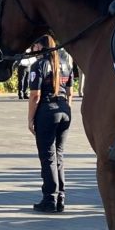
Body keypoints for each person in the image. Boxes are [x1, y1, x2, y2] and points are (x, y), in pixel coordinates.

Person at [27, 36, 74, 213]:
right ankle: (61, 197)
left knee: (48, 156)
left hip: (47, 110)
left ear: (40, 46)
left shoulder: (38, 65)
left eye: (34, 46)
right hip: (64, 108)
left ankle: (50, 198)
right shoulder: (66, 63)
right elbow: (70, 92)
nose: (33, 49)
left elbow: (35, 95)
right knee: (59, 155)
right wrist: (66, 109)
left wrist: (30, 119)